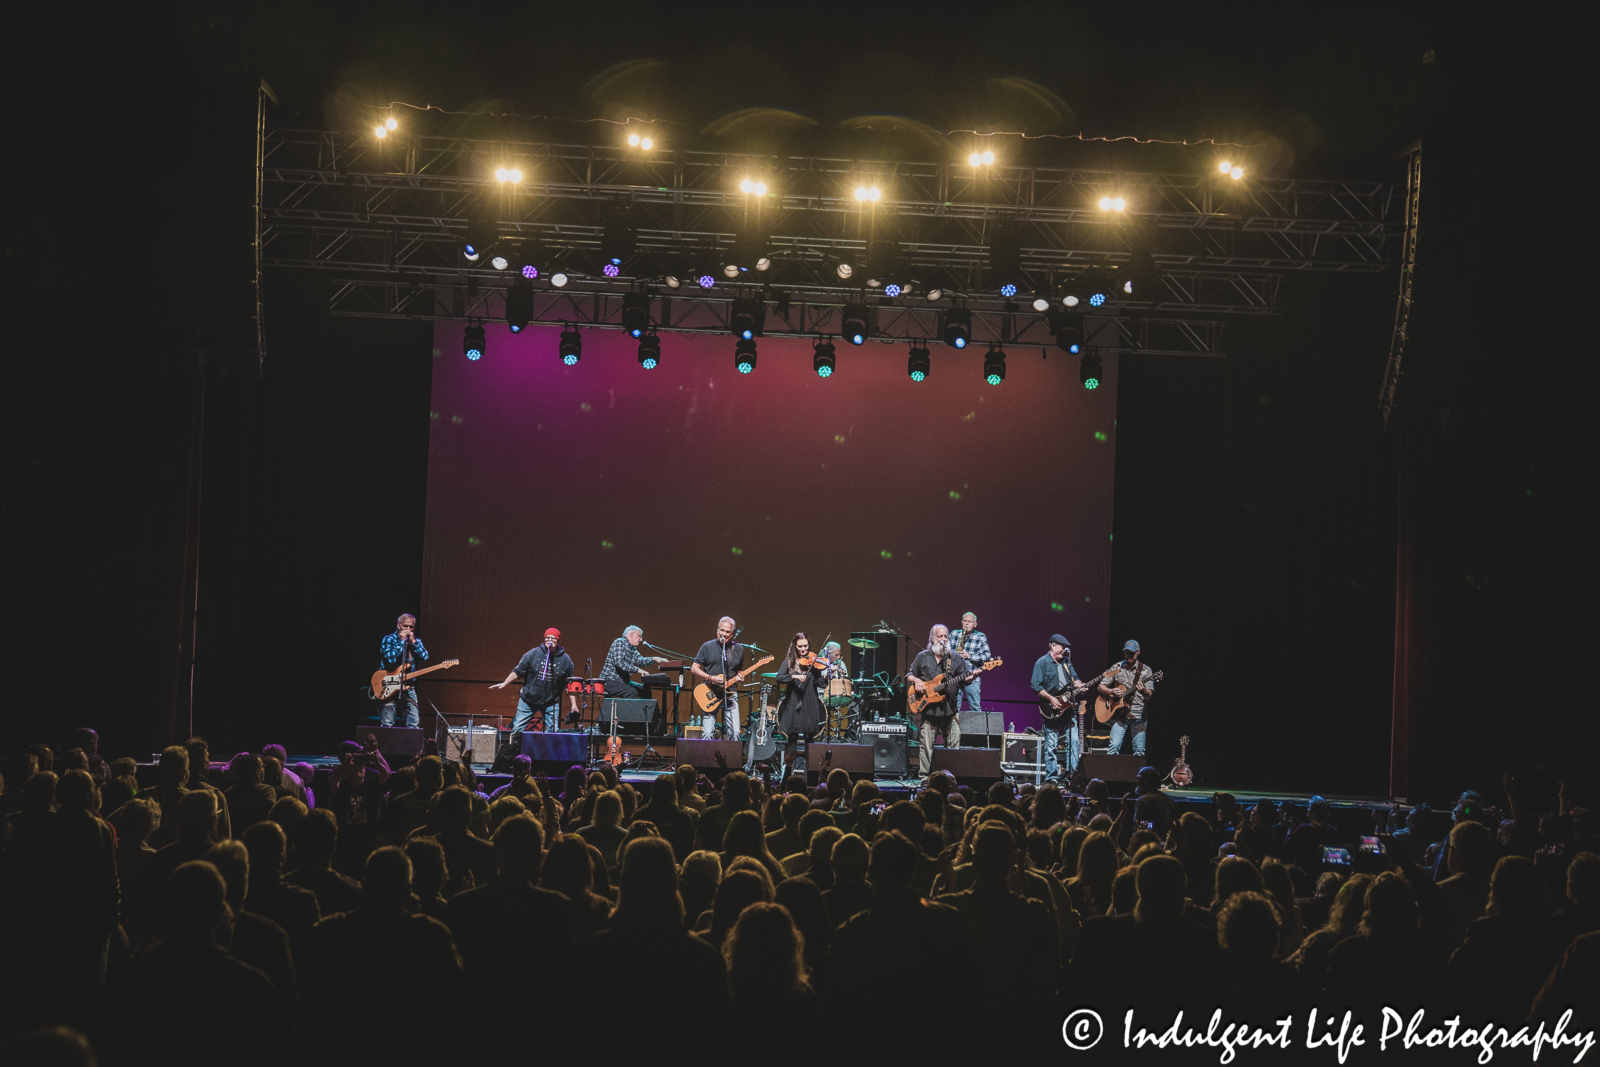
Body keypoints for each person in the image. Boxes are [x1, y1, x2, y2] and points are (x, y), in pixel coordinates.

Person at [908, 624, 970, 781]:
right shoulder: (922, 657)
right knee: (926, 747)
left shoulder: (955, 658)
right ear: (932, 638)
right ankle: (923, 779)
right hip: (929, 711)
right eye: (939, 636)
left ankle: (951, 779)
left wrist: (974, 675)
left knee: (953, 746)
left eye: (945, 637)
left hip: (950, 710)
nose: (943, 639)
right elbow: (909, 674)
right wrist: (916, 681)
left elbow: (964, 679)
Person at [491, 627, 577, 734]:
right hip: (528, 700)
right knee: (517, 729)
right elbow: (518, 671)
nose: (550, 640)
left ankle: (546, 751)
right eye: (547, 637)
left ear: (558, 640)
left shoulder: (565, 659)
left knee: (553, 732)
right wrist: (504, 683)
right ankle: (516, 750)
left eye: (553, 638)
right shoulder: (533, 653)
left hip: (550, 702)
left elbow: (570, 684)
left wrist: (574, 704)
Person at [1031, 634, 1088, 783]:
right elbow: (1036, 686)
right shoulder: (1042, 663)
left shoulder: (1067, 663)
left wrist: (1080, 685)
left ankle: (1072, 776)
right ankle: (1052, 778)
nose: (1064, 650)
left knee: (1074, 741)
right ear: (1052, 646)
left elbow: (1075, 679)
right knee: (1051, 745)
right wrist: (1051, 698)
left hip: (1068, 710)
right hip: (1051, 708)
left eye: (1065, 647)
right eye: (1062, 646)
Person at [773, 632, 826, 776]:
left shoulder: (814, 661)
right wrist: (794, 676)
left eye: (805, 646)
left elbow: (820, 683)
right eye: (800, 646)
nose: (803, 649)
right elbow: (779, 678)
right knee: (793, 736)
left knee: (810, 736)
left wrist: (827, 674)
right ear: (795, 646)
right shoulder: (790, 660)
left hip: (810, 701)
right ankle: (789, 771)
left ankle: (812, 770)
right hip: (794, 700)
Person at [691, 616, 746, 739]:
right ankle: (708, 758)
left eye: (727, 632)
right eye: (722, 630)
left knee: (735, 732)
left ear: (732, 633)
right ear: (717, 630)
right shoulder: (707, 646)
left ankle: (732, 758)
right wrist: (711, 678)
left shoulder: (738, 649)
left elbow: (739, 671)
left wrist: (740, 679)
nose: (724, 634)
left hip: (730, 693)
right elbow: (694, 668)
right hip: (710, 693)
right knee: (708, 733)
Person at [1100, 639, 1156, 756]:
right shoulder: (1116, 667)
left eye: (1131, 652)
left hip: (1137, 715)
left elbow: (1149, 695)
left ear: (1138, 652)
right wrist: (1111, 691)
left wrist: (1144, 690)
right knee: (1113, 748)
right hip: (1119, 715)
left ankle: (1139, 775)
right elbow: (1101, 687)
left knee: (1139, 751)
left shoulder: (1146, 671)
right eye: (1126, 652)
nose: (1129, 655)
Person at [377, 613, 428, 728]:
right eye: (405, 626)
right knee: (387, 723)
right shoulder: (388, 639)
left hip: (408, 686)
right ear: (398, 625)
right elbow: (391, 659)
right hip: (389, 685)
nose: (408, 630)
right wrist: (401, 641)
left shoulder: (415, 641)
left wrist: (414, 643)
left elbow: (424, 657)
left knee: (414, 723)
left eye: (411, 627)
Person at [951, 612, 994, 718]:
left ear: (975, 624)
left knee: (975, 707)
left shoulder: (980, 637)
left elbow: (987, 656)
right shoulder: (954, 634)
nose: (966, 624)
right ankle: (954, 732)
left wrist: (969, 656)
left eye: (969, 622)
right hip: (956, 678)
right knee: (954, 707)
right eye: (964, 621)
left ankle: (977, 733)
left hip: (973, 678)